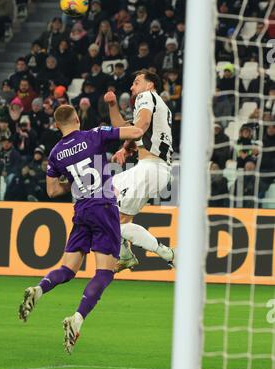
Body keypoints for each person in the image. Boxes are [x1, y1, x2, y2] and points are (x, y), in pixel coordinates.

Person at [18, 104, 143, 354]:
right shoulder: (94, 134)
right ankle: (77, 319)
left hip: (82, 210)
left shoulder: (55, 153)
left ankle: (39, 288)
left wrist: (74, 184)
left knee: (67, 269)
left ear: (57, 125)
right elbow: (136, 132)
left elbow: (52, 191)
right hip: (104, 207)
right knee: (105, 272)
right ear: (77, 118)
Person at [104, 70, 176, 272]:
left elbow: (140, 127)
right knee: (109, 206)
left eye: (136, 82)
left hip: (151, 168)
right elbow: (123, 128)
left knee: (113, 219)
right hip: (151, 168)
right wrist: (112, 106)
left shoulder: (146, 97)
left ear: (150, 85)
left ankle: (168, 254)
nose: (132, 87)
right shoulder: (158, 106)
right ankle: (125, 254)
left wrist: (127, 145)